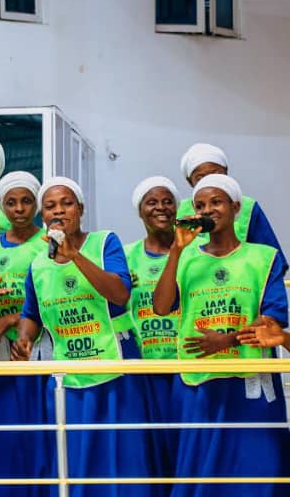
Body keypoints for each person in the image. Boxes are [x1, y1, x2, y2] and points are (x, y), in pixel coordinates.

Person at [12, 177, 155, 497]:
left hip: (115, 366)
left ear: (81, 209)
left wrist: (75, 255)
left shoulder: (105, 243)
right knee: (75, 456)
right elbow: (31, 315)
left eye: (67, 204)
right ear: (42, 216)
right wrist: (24, 339)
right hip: (68, 374)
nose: (59, 211)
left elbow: (120, 294)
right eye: (50, 207)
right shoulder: (38, 265)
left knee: (122, 454)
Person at [152, 174, 289, 497]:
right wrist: (176, 250)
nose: (208, 210)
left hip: (249, 381)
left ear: (235, 207)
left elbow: (271, 319)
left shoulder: (263, 257)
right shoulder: (186, 257)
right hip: (198, 382)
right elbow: (161, 306)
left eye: (216, 202)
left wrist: (226, 341)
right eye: (200, 205)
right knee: (202, 474)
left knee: (257, 470)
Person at [0, 171, 50, 497]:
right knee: (3, 423)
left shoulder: (48, 244)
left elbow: (54, 298)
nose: (19, 209)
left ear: (36, 205)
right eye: (11, 202)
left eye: (26, 201)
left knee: (37, 420)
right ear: (2, 207)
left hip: (38, 343)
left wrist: (13, 318)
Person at [122, 176, 183, 481]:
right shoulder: (125, 256)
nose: (160, 207)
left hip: (185, 365)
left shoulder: (193, 251)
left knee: (184, 447)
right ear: (140, 211)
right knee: (149, 449)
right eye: (152, 202)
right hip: (143, 366)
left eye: (167, 201)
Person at [177, 143, 281, 251]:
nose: (209, 181)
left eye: (216, 174)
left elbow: (269, 254)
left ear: (226, 172)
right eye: (200, 178)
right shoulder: (178, 211)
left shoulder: (248, 207)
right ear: (190, 181)